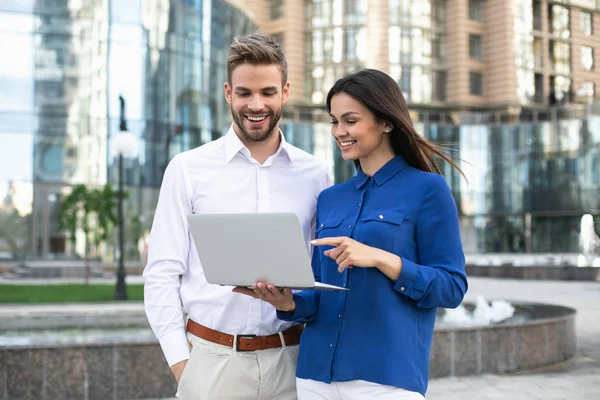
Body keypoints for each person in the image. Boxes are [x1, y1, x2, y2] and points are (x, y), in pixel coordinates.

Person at [234, 69, 468, 399]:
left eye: (350, 120)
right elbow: (319, 291)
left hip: (385, 378)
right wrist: (286, 301)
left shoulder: (428, 190)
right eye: (334, 121)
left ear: (386, 122)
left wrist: (383, 259)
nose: (339, 132)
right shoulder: (330, 198)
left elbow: (452, 287)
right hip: (315, 377)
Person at [143, 33, 331, 400]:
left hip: (293, 362)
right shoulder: (188, 168)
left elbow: (319, 272)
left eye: (267, 92)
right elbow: (162, 271)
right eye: (244, 93)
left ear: (285, 92)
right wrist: (183, 366)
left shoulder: (316, 174)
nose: (255, 104)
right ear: (229, 93)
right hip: (212, 363)